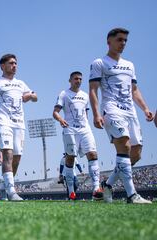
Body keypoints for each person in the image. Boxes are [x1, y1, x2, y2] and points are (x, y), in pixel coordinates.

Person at [89, 28, 154, 204]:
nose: (123, 43)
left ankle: (107, 185)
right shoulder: (99, 63)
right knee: (124, 145)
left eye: (125, 40)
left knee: (136, 153)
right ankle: (132, 195)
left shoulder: (130, 65)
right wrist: (96, 114)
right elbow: (93, 90)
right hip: (111, 109)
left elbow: (134, 90)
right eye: (119, 40)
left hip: (130, 111)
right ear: (108, 41)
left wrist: (145, 108)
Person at [0, 54, 37, 201]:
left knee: (16, 158)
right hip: (4, 122)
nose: (15, 66)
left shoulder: (21, 84)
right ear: (2, 66)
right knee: (8, 155)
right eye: (11, 63)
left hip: (19, 124)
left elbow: (35, 96)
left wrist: (30, 96)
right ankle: (12, 191)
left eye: (16, 63)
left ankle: (5, 188)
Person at [53, 71, 103, 200]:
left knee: (93, 154)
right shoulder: (64, 94)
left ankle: (96, 189)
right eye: (76, 79)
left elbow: (86, 113)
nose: (78, 81)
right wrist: (60, 120)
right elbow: (55, 112)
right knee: (70, 158)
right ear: (70, 80)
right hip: (70, 130)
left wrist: (86, 124)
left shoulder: (85, 96)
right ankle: (71, 191)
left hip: (85, 129)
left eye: (80, 79)